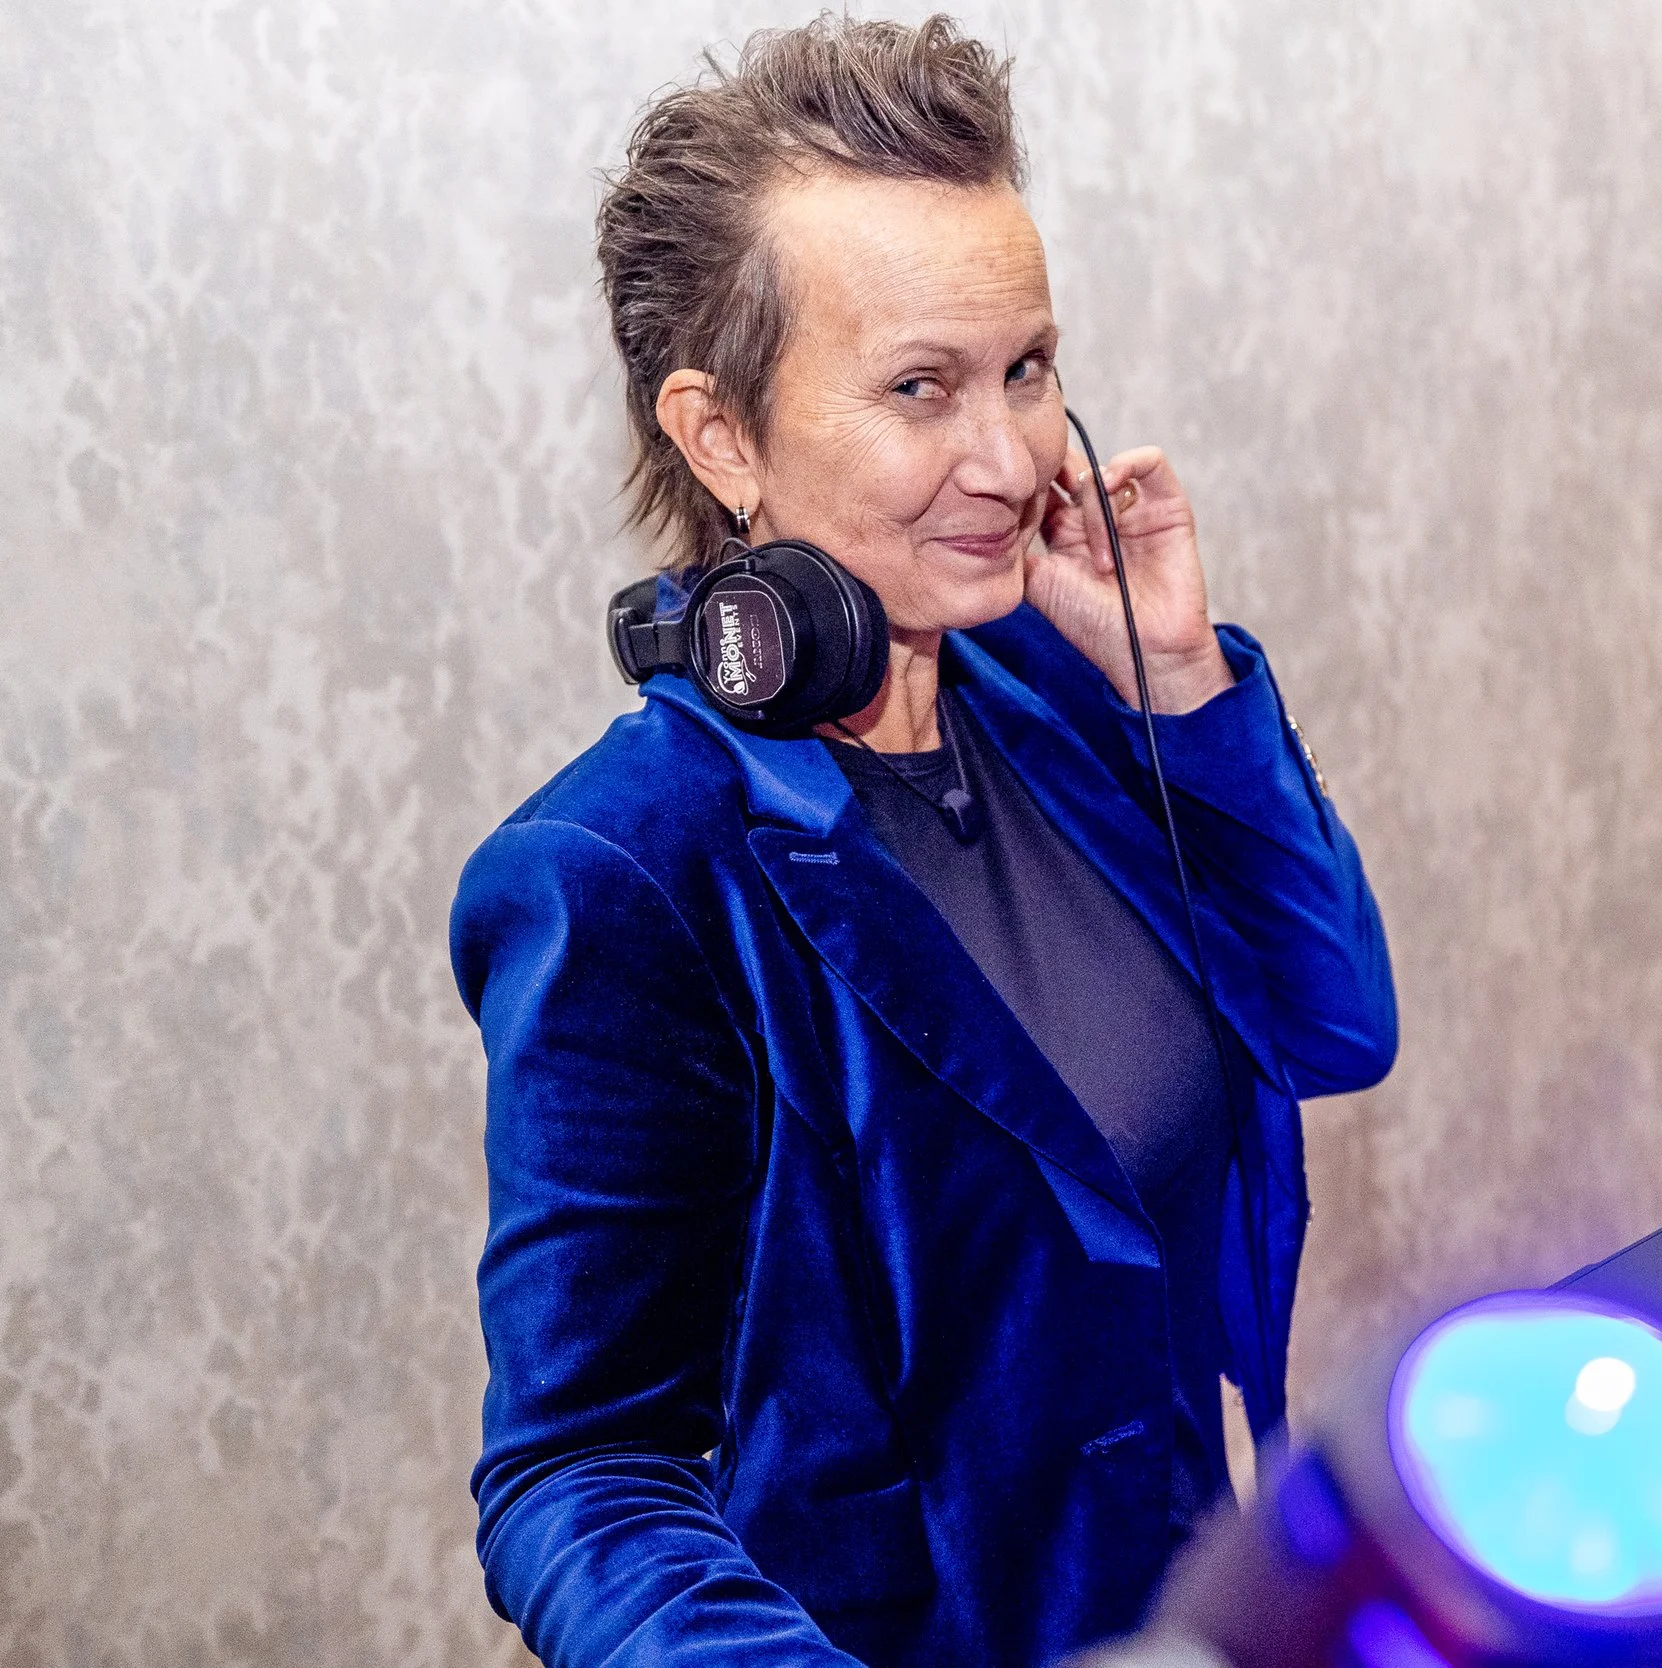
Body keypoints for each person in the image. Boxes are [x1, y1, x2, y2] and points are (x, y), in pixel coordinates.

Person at [447, 14, 1397, 1667]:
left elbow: (1333, 1024)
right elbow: (577, 1472)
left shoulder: (1055, 683)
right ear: (720, 435)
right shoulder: (625, 876)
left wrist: (1181, 683)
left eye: (1027, 370)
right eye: (919, 389)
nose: (1011, 457)